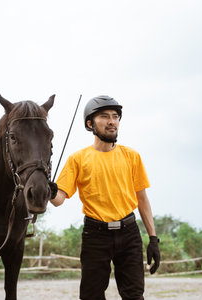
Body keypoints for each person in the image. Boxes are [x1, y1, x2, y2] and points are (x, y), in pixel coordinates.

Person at [49, 95, 160, 300]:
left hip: (129, 233)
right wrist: (47, 189)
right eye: (104, 116)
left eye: (115, 116)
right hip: (95, 235)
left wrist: (153, 239)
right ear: (90, 124)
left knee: (135, 295)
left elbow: (142, 199)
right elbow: (59, 198)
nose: (112, 121)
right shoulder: (78, 159)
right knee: (91, 296)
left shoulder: (131, 156)